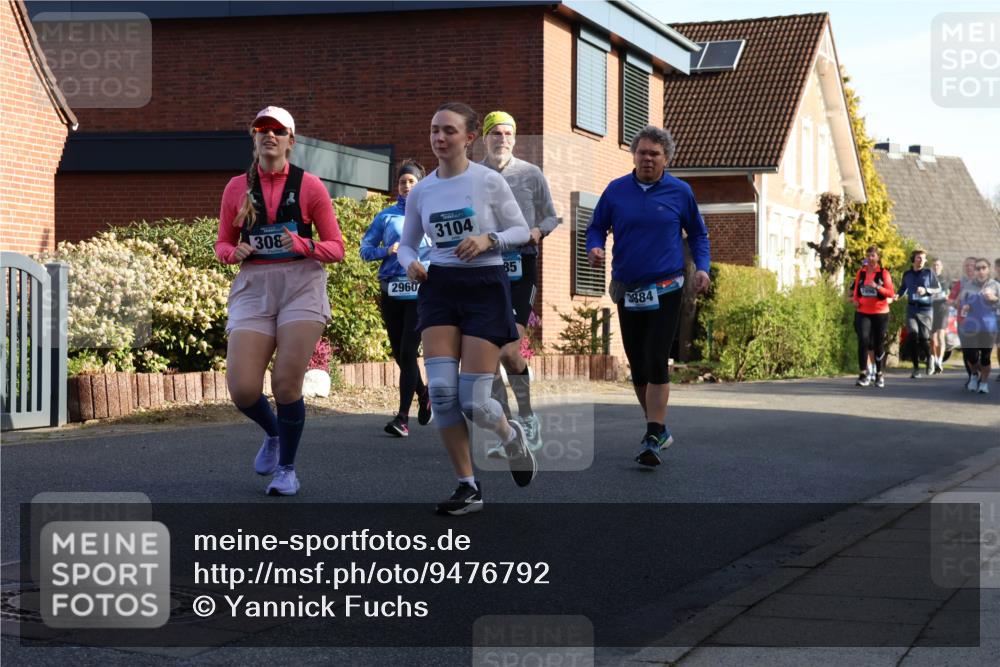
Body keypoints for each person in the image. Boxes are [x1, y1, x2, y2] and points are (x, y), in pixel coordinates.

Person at [397, 102, 534, 516]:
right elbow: (406, 243)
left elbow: (521, 231)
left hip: (484, 286)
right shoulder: (421, 190)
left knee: (474, 401)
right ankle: (467, 486)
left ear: (469, 138)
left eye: (449, 131)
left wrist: (488, 240)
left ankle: (510, 437)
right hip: (439, 287)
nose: (440, 138)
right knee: (440, 393)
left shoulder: (488, 181)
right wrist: (412, 263)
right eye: (434, 130)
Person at [215, 106, 345, 496]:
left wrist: (304, 244)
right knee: (242, 389)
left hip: (301, 284)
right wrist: (229, 253)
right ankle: (273, 433)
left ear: (292, 140)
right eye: (262, 129)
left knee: (286, 383)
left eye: (278, 130)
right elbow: (222, 241)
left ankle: (286, 469)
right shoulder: (237, 187)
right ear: (254, 138)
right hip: (255, 287)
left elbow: (337, 248)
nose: (269, 135)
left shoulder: (310, 186)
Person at [586, 125, 711, 467]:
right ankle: (657, 427)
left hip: (667, 285)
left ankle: (653, 435)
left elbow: (699, 234)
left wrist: (703, 268)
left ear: (666, 158)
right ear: (634, 155)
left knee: (656, 357)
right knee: (638, 364)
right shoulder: (616, 191)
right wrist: (595, 247)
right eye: (641, 152)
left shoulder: (679, 192)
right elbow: (596, 226)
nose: (647, 159)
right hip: (629, 288)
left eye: (654, 154)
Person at [478, 111, 560, 458]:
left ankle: (527, 419)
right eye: (496, 133)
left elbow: (551, 215)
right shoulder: (473, 175)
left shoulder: (530, 173)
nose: (502, 139)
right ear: (485, 137)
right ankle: (509, 429)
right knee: (486, 354)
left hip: (520, 265)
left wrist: (538, 232)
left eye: (508, 133)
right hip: (482, 267)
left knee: (508, 351)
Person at [360, 159, 433, 437]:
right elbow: (365, 250)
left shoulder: (429, 214)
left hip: (420, 291)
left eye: (411, 181)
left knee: (407, 351)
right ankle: (424, 393)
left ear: (420, 185)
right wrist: (386, 251)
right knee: (399, 353)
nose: (406, 186)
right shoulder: (386, 217)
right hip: (391, 288)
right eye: (402, 181)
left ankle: (402, 418)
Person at [851, 246, 895, 388]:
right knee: (863, 340)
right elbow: (857, 290)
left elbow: (890, 293)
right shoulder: (861, 272)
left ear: (878, 258)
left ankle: (879, 374)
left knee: (878, 344)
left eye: (873, 256)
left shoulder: (883, 273)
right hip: (863, 311)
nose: (870, 258)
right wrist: (855, 300)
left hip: (880, 312)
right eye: (868, 255)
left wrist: (877, 287)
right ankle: (863, 373)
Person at [896, 249, 941, 378]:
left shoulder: (929, 273)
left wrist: (926, 290)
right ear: (913, 259)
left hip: (926, 309)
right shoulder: (907, 274)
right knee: (912, 336)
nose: (921, 261)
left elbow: (937, 288)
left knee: (923, 338)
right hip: (911, 308)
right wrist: (896, 296)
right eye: (918, 258)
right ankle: (916, 369)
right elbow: (902, 288)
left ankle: (930, 358)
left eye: (923, 258)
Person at [958, 259, 999, 394]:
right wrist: (965, 307)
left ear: (988, 269)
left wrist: (995, 299)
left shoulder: (996, 286)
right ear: (974, 271)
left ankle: (984, 383)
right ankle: (974, 375)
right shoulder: (968, 286)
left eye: (983, 268)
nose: (981, 271)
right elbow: (963, 304)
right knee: (971, 355)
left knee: (985, 357)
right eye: (978, 268)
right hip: (971, 326)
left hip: (989, 326)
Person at [949, 257, 978, 385]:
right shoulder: (959, 283)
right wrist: (956, 301)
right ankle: (972, 375)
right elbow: (950, 300)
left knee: (978, 350)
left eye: (971, 265)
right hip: (963, 322)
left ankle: (978, 374)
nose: (968, 268)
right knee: (967, 351)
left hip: (979, 323)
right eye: (966, 265)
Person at [930, 258, 949, 374]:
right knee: (932, 339)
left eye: (938, 265)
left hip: (942, 310)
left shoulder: (946, 280)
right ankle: (935, 360)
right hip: (930, 310)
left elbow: (948, 295)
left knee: (941, 336)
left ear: (941, 267)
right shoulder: (928, 279)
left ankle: (939, 361)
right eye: (934, 265)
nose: (936, 267)